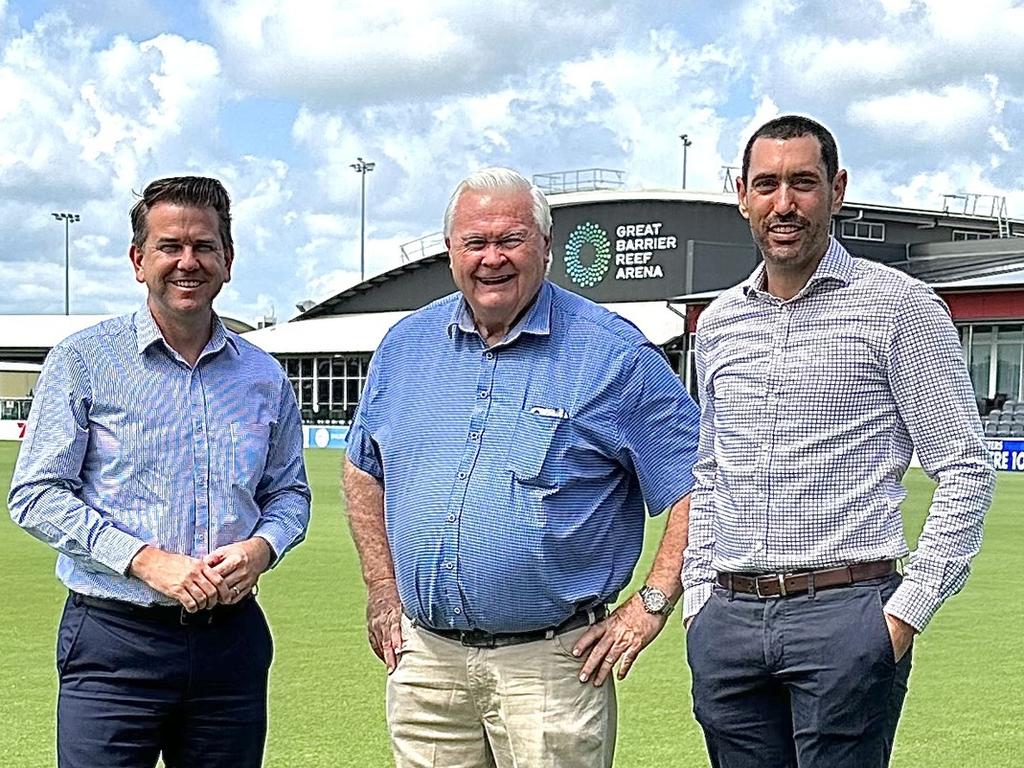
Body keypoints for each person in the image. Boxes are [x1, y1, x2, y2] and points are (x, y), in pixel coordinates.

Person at [344, 167, 699, 767]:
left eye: (510, 240)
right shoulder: (405, 347)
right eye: (474, 242)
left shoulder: (613, 352)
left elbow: (697, 484)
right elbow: (363, 470)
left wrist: (653, 602)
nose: (492, 259)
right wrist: (382, 587)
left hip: (551, 666)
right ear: (450, 251)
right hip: (426, 662)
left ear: (546, 248)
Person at [683, 115, 995, 768]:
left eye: (803, 182)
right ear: (742, 195)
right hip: (729, 624)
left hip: (847, 615)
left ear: (837, 188)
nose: (784, 203)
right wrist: (696, 605)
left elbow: (965, 467)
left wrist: (902, 616)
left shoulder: (899, 308)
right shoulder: (717, 325)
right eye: (766, 185)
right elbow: (710, 473)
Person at [8, 176, 311, 768]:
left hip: (231, 642)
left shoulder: (263, 378)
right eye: (170, 246)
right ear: (138, 260)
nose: (187, 263)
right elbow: (36, 494)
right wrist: (145, 560)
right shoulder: (85, 360)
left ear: (228, 260)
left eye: (204, 246)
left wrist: (262, 547)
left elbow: (290, 493)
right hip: (115, 640)